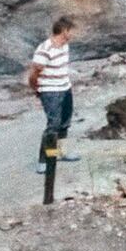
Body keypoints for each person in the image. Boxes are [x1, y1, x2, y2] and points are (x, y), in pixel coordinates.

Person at [29, 17, 81, 174]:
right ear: (65, 31)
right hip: (50, 91)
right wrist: (38, 90)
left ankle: (61, 152)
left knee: (65, 123)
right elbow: (33, 75)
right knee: (53, 125)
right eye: (71, 31)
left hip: (65, 88)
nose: (74, 34)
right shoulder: (44, 50)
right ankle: (43, 160)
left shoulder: (65, 46)